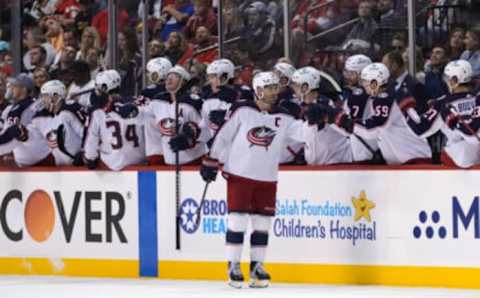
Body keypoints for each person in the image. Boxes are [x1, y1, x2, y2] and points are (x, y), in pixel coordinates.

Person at [199, 71, 308, 288]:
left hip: (267, 177)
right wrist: (211, 160)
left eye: (276, 87)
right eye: (269, 87)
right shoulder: (243, 110)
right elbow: (224, 135)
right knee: (237, 220)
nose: (274, 92)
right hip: (240, 174)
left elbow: (303, 133)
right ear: (258, 90)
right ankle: (234, 265)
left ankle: (257, 265)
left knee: (262, 223)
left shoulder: (285, 116)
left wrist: (317, 121)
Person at [328, 63, 432, 165]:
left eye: (365, 82)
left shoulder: (385, 98)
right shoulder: (392, 94)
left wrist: (347, 122)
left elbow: (373, 130)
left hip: (415, 159)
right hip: (411, 159)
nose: (363, 86)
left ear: (374, 83)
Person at [406, 60, 479, 168]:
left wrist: (406, 109)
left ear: (454, 80)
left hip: (456, 162)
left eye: (447, 78)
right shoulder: (478, 97)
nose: (446, 82)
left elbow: (420, 129)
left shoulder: (443, 104)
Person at [83, 70, 146, 171]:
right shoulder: (139, 103)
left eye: (98, 87)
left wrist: (89, 159)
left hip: (111, 164)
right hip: (139, 162)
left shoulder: (97, 111)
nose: (96, 91)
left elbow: (91, 146)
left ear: (104, 87)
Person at [144, 65, 206, 165]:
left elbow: (207, 130)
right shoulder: (157, 101)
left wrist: (190, 141)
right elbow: (142, 117)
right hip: (168, 162)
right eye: (168, 76)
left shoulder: (194, 102)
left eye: (175, 76)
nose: (169, 79)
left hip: (194, 161)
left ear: (184, 82)